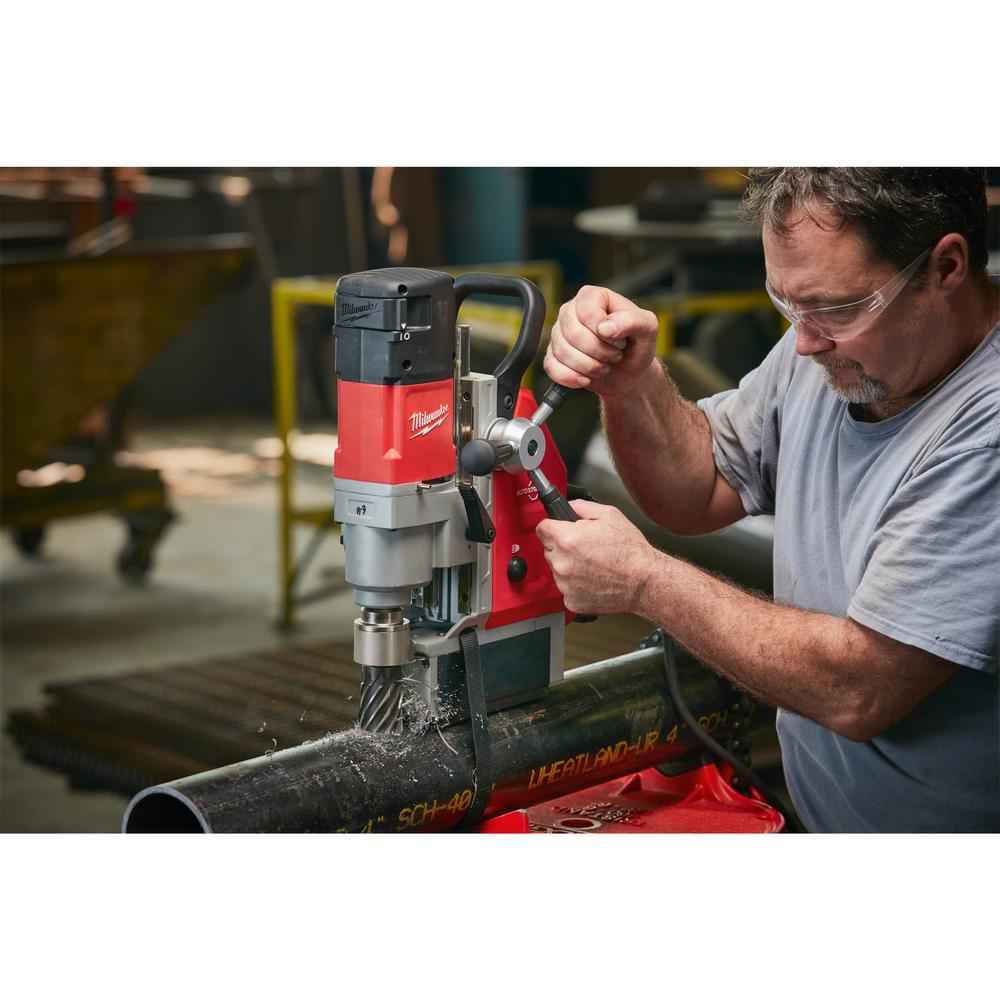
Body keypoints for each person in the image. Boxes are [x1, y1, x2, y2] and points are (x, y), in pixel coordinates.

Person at [537, 168, 1000, 833]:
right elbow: (700, 486)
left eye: (835, 309)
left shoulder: (984, 430)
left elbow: (860, 688)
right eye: (787, 305)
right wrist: (631, 384)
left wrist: (643, 580)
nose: (805, 342)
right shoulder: (832, 342)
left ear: (946, 266)